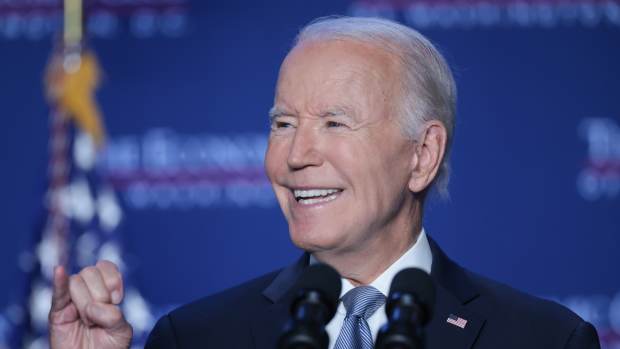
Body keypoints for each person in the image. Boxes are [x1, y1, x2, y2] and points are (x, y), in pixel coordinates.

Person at [48, 16, 600, 349]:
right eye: (282, 124)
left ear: (422, 155)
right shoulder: (196, 338)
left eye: (334, 123)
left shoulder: (543, 339)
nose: (295, 154)